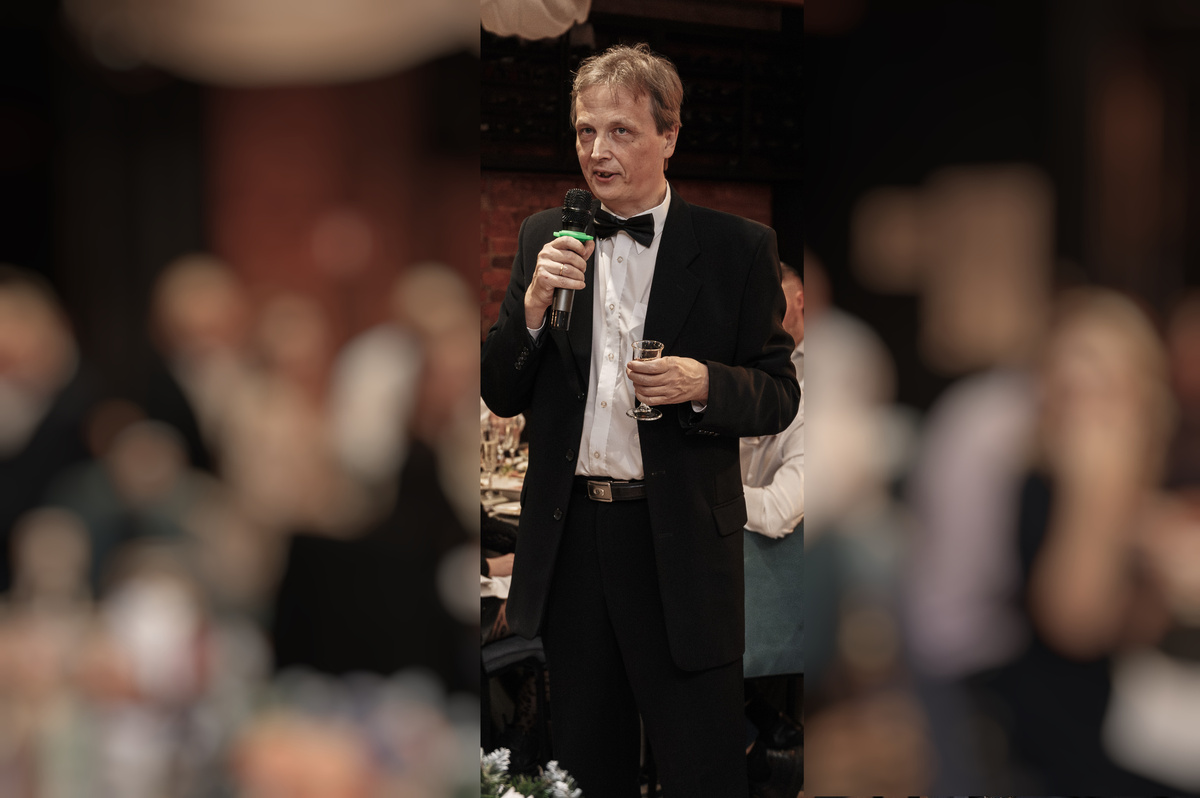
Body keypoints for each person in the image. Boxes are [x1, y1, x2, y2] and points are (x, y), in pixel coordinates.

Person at [480, 43, 799, 798]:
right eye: (585, 131)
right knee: (588, 762)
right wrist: (532, 308)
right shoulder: (543, 235)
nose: (598, 150)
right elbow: (500, 390)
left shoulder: (738, 249)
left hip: (679, 540)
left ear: (669, 135)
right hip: (574, 539)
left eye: (620, 130)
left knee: (701, 768)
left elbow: (779, 393)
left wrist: (704, 383)